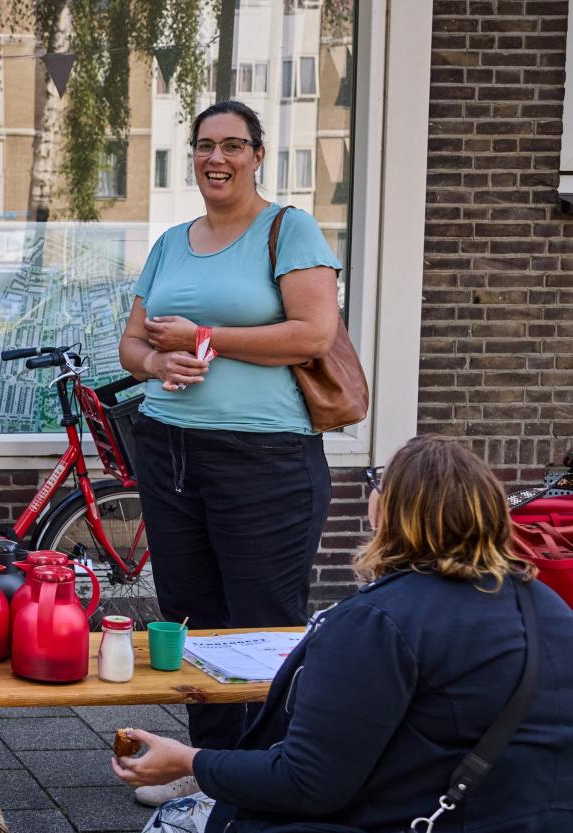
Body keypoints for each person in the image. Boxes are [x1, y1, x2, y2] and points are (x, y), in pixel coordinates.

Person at [113, 435, 573, 832]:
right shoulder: (547, 605)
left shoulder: (379, 620)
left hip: (419, 819)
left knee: (177, 819)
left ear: (384, 511)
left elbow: (307, 782)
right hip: (534, 816)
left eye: (377, 483)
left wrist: (188, 760)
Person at [115, 100, 345, 804]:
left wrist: (202, 339)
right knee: (193, 616)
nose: (217, 158)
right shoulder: (171, 242)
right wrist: (157, 366)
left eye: (233, 146)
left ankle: (265, 776)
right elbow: (131, 343)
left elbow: (311, 333)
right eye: (205, 145)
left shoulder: (288, 228)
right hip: (170, 451)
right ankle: (200, 767)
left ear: (257, 154)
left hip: (265, 459)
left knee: (262, 621)